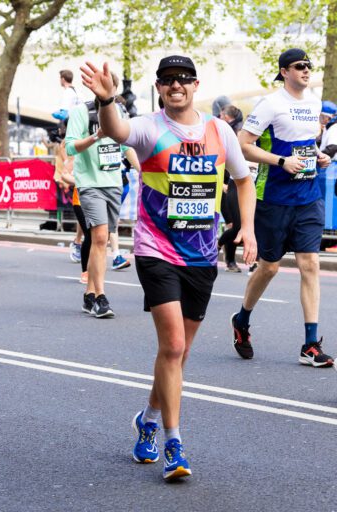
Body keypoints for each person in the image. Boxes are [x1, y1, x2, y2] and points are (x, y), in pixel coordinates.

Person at [81, 55, 257, 481]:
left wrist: (248, 228)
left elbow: (243, 179)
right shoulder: (148, 126)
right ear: (158, 88)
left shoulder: (220, 132)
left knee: (177, 354)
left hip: (201, 255)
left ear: (196, 85)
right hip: (156, 250)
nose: (175, 85)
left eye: (182, 79)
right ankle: (173, 444)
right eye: (167, 80)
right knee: (173, 347)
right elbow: (117, 130)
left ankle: (146, 418)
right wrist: (108, 99)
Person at [231, 48, 333, 367]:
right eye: (299, 66)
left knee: (310, 264)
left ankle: (310, 345)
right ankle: (242, 320)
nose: (306, 70)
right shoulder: (271, 104)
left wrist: (318, 156)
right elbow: (242, 144)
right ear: (284, 71)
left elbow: (305, 143)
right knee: (270, 267)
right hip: (274, 197)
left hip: (308, 196)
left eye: (308, 66)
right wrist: (280, 161)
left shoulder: (314, 103)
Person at [65, 78, 139, 319]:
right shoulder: (80, 112)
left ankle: (88, 294)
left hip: (113, 183)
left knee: (104, 239)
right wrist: (95, 136)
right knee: (98, 237)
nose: (107, 91)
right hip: (90, 184)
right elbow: (70, 147)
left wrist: (142, 170)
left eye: (111, 87)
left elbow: (126, 145)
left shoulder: (118, 111)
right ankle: (100, 296)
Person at [218, 105, 245, 272]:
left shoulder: (235, 136)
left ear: (228, 118)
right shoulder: (219, 134)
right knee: (232, 225)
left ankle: (228, 259)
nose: (219, 117)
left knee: (234, 225)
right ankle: (229, 260)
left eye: (221, 115)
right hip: (222, 185)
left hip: (233, 184)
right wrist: (221, 184)